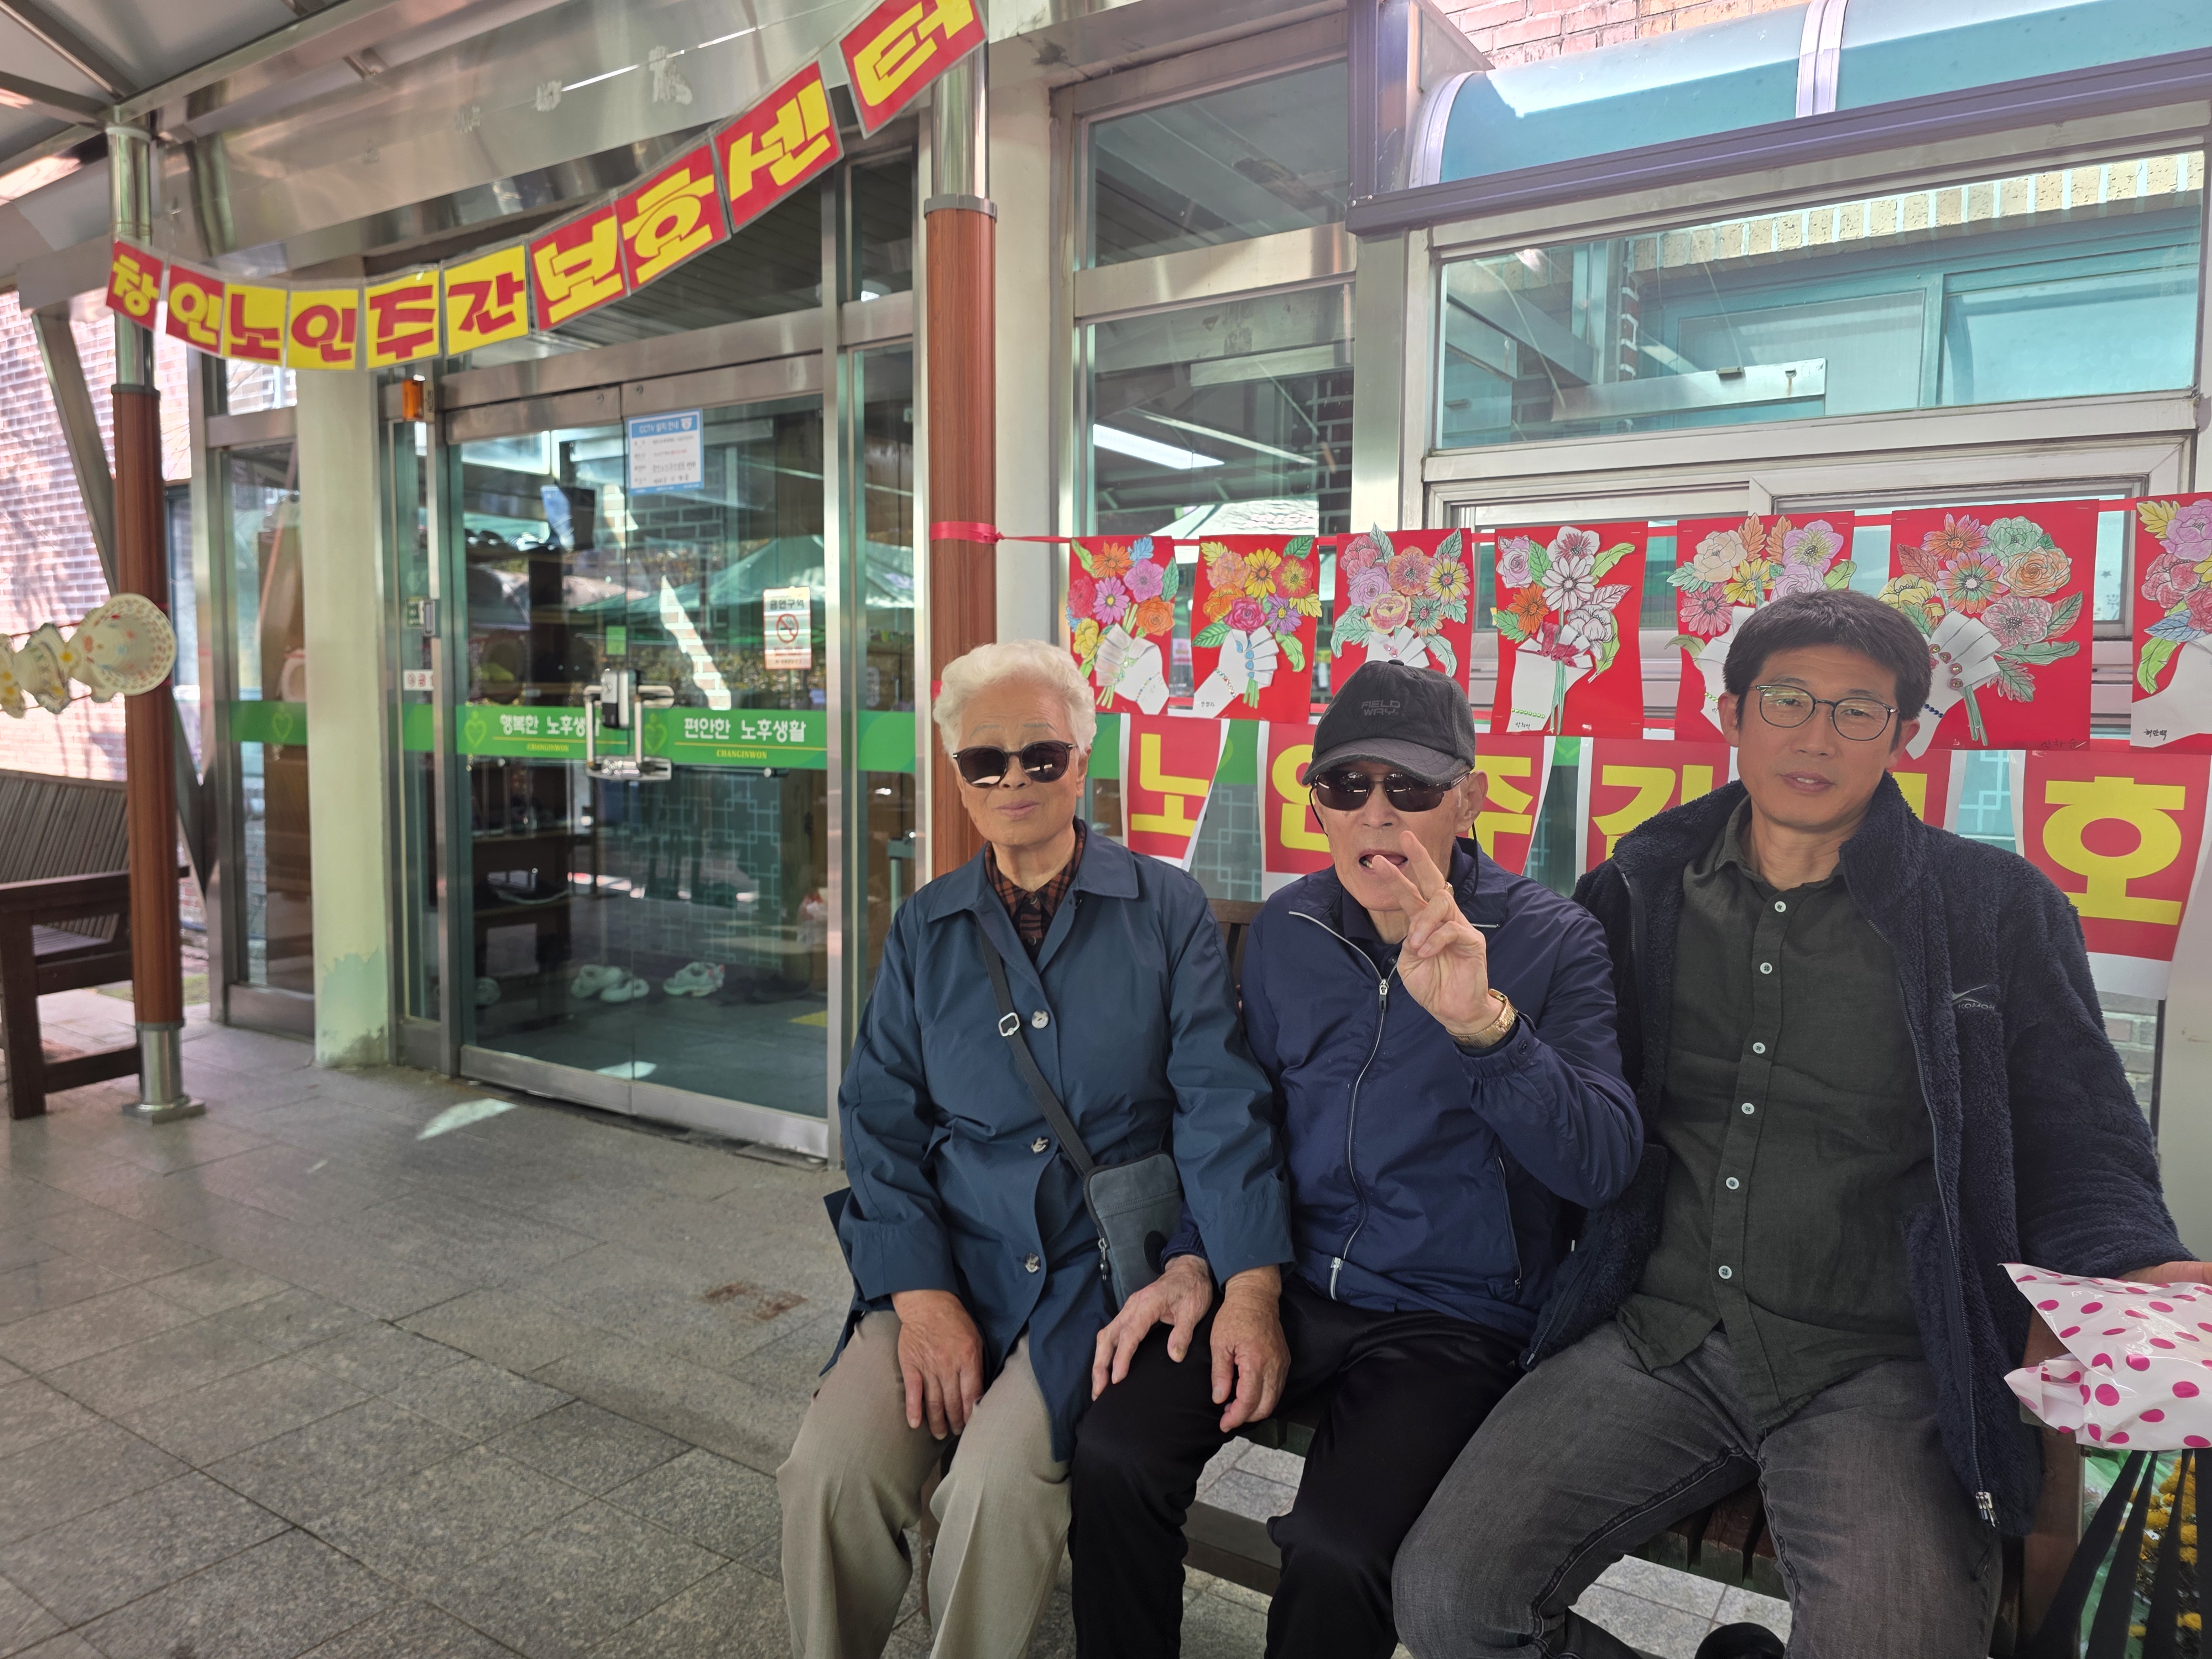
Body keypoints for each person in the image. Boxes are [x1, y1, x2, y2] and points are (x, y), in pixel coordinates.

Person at [1392, 589, 2210, 1659]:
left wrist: (2143, 1262)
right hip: (1660, 1329)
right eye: (1787, 700)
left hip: (1882, 1364)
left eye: (1856, 711)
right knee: (1449, 1603)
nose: (1817, 737)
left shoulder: (1995, 909)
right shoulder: (1635, 889)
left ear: (1903, 735)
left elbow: (2083, 1134)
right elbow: (1578, 1102)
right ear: (1732, 713)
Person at [1069, 660, 1643, 1659]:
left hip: (1453, 1314)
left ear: (1468, 800)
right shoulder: (1289, 928)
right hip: (1285, 1272)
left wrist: (1485, 1026)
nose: (1377, 811)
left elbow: (1602, 1165)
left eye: (1410, 786)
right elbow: (1244, 1115)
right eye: (1346, 785)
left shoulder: (1553, 941)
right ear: (1318, 806)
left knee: (1339, 1551)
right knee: (1114, 1446)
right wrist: (1202, 1258)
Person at [778, 638, 1291, 1659]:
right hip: (948, 1255)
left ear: (1081, 762)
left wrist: (1249, 1284)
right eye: (985, 760)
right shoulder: (927, 927)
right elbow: (878, 1119)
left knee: (996, 1487)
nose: (1013, 779)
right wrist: (920, 1298)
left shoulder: (1165, 910)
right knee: (829, 1471)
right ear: (959, 778)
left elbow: (1219, 1103)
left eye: (1041, 755)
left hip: (1094, 1274)